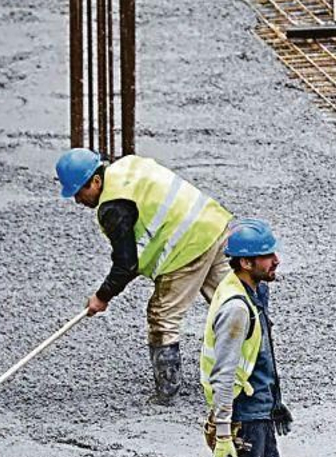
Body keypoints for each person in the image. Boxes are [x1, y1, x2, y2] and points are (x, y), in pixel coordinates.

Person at [55, 148, 233, 405]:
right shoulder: (126, 167)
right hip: (214, 224)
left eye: (79, 193)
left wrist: (102, 296)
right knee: (236, 302)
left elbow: (126, 264)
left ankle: (167, 393)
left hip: (188, 245)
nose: (78, 201)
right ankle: (257, 369)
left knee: (162, 316)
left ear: (95, 181)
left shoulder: (112, 208)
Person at [199, 218, 294, 457]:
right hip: (242, 416)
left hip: (260, 410)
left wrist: (275, 401)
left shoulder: (253, 291)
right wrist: (223, 433)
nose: (275, 261)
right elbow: (223, 376)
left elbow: (263, 352)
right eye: (265, 256)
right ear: (244, 263)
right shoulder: (237, 307)